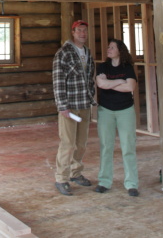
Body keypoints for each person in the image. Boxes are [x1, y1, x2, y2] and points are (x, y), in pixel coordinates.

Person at [52, 20, 97, 196]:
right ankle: (61, 178)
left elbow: (90, 78)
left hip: (84, 104)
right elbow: (57, 81)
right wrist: (62, 106)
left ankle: (75, 173)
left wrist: (91, 97)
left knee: (81, 144)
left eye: (85, 30)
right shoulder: (63, 53)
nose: (82, 34)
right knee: (68, 143)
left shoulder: (87, 52)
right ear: (73, 32)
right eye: (79, 30)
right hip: (69, 107)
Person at [94, 38, 139, 197]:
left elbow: (130, 87)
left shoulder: (127, 67)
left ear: (120, 50)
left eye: (112, 47)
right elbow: (100, 84)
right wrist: (120, 81)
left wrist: (111, 82)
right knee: (106, 146)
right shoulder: (103, 66)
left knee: (128, 147)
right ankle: (104, 181)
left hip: (125, 110)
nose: (109, 49)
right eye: (108, 46)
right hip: (105, 110)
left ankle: (131, 183)